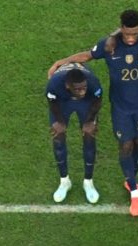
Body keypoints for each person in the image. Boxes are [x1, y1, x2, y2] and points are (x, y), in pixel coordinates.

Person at [49, 11, 138, 210]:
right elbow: (88, 55)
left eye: (135, 34)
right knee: (126, 145)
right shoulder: (108, 45)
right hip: (121, 106)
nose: (131, 39)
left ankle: (131, 178)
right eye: (127, 34)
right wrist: (61, 62)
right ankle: (134, 188)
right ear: (121, 28)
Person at [39, 62, 103, 203]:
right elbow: (52, 102)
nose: (82, 92)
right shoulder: (54, 84)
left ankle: (88, 182)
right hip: (63, 102)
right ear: (68, 86)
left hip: (86, 103)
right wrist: (59, 122)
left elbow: (97, 101)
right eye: (78, 89)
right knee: (58, 135)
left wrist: (90, 121)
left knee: (89, 134)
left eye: (84, 88)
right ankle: (64, 181)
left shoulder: (92, 82)